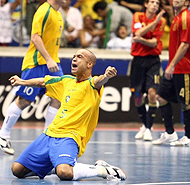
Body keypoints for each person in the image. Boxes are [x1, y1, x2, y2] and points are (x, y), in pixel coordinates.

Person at [10, 49, 126, 181]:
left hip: (70, 136)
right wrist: (21, 82)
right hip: (49, 134)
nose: (74, 59)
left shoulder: (92, 85)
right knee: (17, 170)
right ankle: (56, 165)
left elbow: (99, 81)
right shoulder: (66, 81)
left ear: (89, 64)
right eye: (73, 57)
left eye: (79, 57)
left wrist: (106, 76)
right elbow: (43, 82)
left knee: (65, 173)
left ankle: (104, 170)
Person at [0, 0, 69, 155]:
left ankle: (48, 138)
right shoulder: (43, 11)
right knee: (25, 100)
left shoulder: (59, 14)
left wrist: (53, 61)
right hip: (37, 63)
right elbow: (35, 37)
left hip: (53, 64)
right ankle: (3, 134)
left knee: (58, 97)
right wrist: (49, 59)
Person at [152, 0, 190, 147]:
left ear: (186, 2)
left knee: (186, 103)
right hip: (175, 67)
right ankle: (170, 134)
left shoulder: (186, 18)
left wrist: (171, 65)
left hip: (184, 68)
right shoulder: (176, 18)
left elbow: (185, 45)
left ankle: (189, 137)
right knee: (161, 97)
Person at [130, 0, 166, 141]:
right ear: (146, 4)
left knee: (152, 94)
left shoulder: (162, 21)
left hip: (153, 61)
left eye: (157, 3)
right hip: (137, 61)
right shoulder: (138, 16)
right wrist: (153, 23)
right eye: (152, 2)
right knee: (137, 98)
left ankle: (149, 129)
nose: (154, 5)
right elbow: (137, 32)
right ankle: (144, 125)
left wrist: (141, 39)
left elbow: (153, 43)